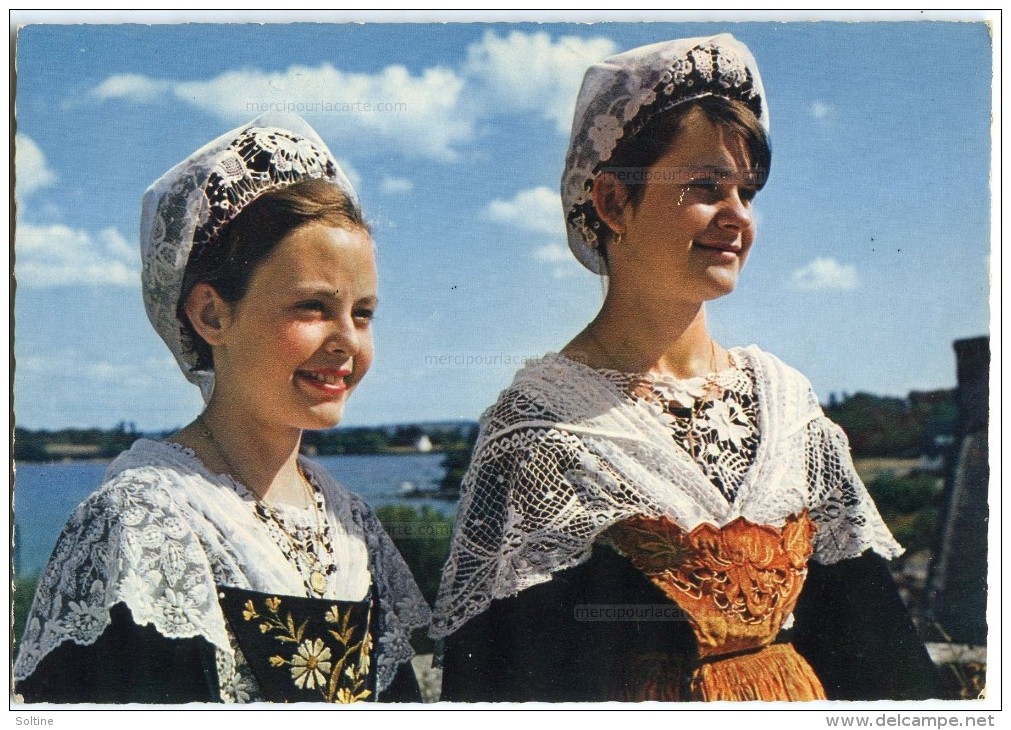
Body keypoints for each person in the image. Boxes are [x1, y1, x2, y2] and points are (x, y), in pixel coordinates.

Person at [431, 34, 941, 702]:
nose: (737, 217)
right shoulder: (539, 432)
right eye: (705, 187)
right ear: (612, 202)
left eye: (746, 192)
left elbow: (877, 653)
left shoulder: (787, 408)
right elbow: (499, 684)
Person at [14, 113, 429, 703]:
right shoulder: (144, 522)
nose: (347, 340)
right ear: (211, 315)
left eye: (363, 313)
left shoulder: (349, 521)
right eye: (313, 307)